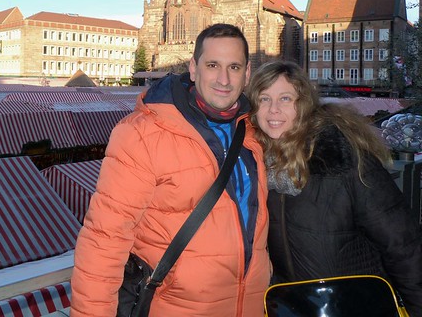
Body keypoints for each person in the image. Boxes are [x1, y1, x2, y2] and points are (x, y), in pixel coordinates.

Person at [70, 23, 271, 316]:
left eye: (234, 67)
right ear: (193, 68)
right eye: (213, 65)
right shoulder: (142, 133)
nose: (224, 79)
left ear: (247, 73)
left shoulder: (254, 132)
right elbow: (104, 241)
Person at [248, 60, 422, 315]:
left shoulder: (342, 159)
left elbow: (402, 244)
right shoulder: (256, 163)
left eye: (285, 98)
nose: (273, 109)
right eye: (264, 99)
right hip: (291, 307)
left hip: (355, 305)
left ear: (303, 104)